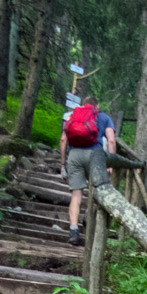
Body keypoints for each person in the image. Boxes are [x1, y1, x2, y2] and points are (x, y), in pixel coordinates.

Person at [59, 96, 116, 246]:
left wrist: (63, 162)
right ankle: (87, 216)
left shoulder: (74, 116)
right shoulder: (104, 117)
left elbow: (63, 140)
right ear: (96, 106)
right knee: (95, 191)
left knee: (76, 195)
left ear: (83, 105)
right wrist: (110, 162)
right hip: (95, 156)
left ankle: (73, 231)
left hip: (75, 155)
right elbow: (111, 140)